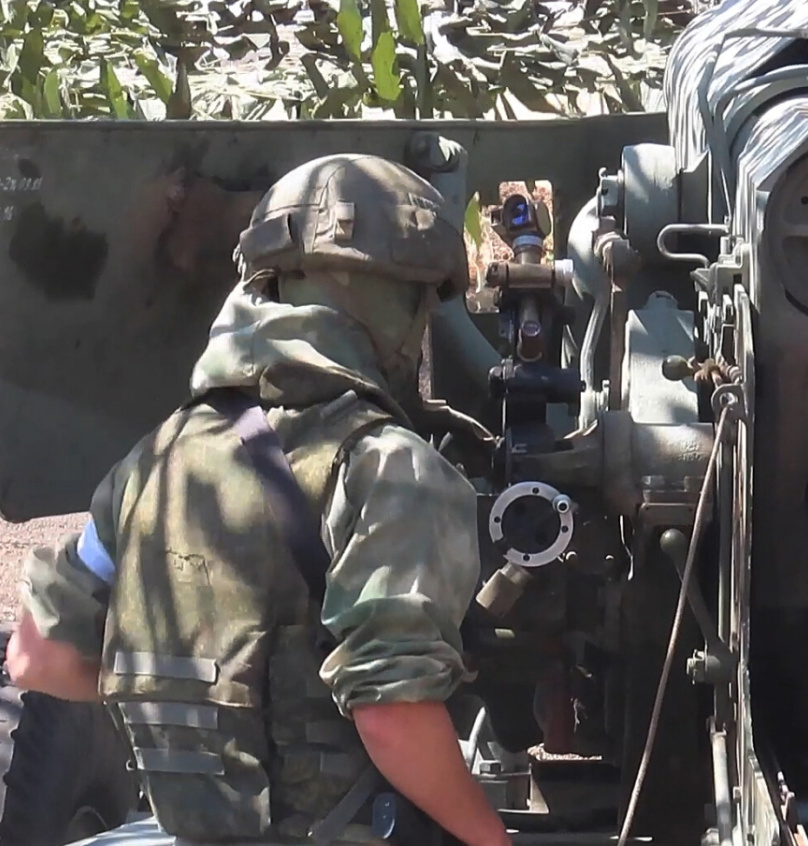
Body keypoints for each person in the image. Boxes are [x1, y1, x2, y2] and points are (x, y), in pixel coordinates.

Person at [4, 153, 511, 846]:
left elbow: (38, 657)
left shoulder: (154, 460)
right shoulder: (389, 468)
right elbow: (392, 714)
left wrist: (189, 706)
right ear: (398, 305)